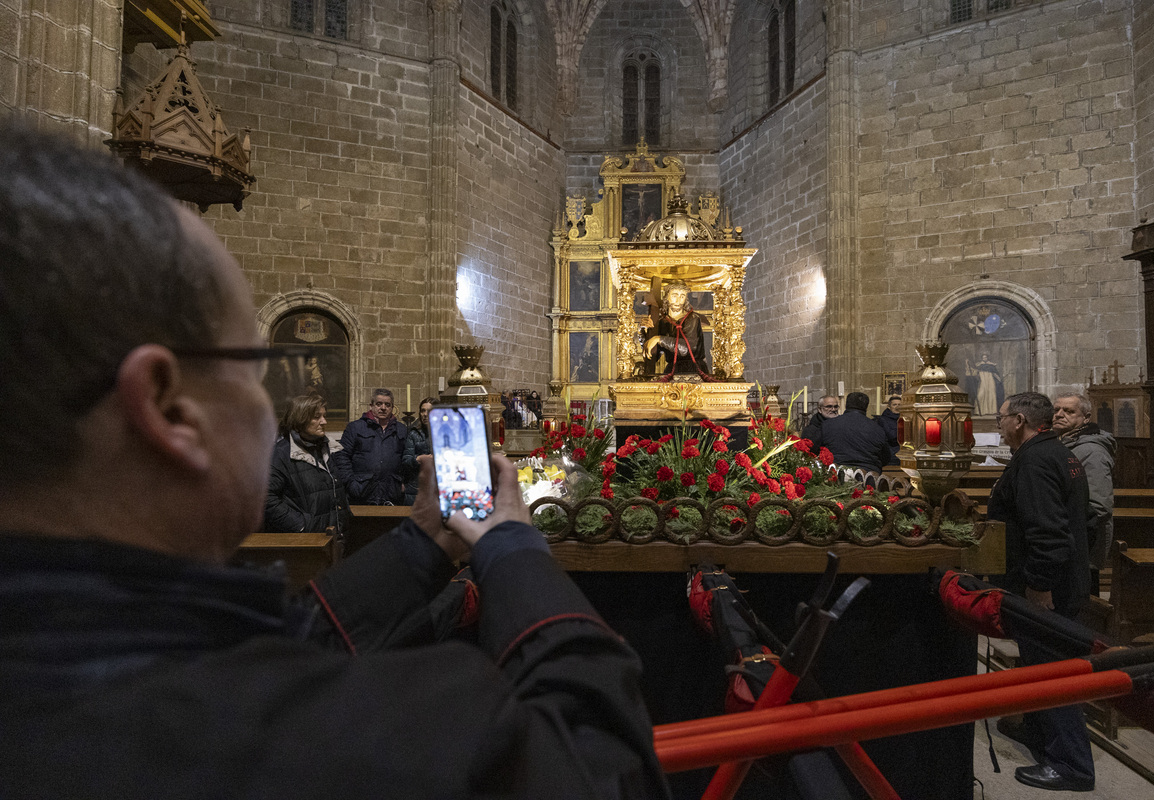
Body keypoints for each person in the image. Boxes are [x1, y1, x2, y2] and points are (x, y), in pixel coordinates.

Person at [0, 122, 668, 800]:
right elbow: (603, 770)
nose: (270, 403)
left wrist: (422, 542)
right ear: (169, 408)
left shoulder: (81, 659)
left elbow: (275, 647)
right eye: (253, 365)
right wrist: (510, 543)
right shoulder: (388, 741)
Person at [988, 392, 1094, 792]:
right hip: (1063, 579)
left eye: (1001, 418)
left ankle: (1072, 764)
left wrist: (1039, 585)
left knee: (1053, 672)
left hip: (1050, 587)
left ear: (1018, 420)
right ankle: (1037, 732)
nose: (998, 424)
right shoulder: (1054, 452)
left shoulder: (1034, 460)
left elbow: (1048, 532)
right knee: (1038, 664)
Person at [1053, 392, 1116, 594]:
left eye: (1069, 411)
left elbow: (1099, 507)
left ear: (1086, 418)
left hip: (1084, 546)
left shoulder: (1092, 451)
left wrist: (1071, 537)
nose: (1059, 415)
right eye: (1056, 410)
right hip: (1071, 541)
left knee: (1085, 607)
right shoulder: (1066, 443)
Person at [265, 394, 351, 534]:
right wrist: (301, 525)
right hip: (306, 540)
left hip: (332, 535)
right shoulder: (282, 454)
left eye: (324, 416)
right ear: (300, 419)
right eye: (317, 417)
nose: (324, 422)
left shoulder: (326, 447)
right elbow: (265, 499)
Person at [332, 388, 411, 505]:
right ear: (371, 406)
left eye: (387, 405)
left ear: (392, 407)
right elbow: (342, 456)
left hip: (392, 494)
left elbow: (407, 459)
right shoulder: (355, 427)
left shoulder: (402, 430)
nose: (383, 408)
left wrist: (403, 485)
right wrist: (350, 482)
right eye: (379, 404)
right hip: (361, 491)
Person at [643, 281, 709, 378]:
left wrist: (658, 339)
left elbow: (686, 348)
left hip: (693, 370)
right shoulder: (663, 322)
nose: (678, 301)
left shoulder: (692, 319)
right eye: (674, 295)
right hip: (671, 370)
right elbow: (653, 356)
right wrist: (644, 332)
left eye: (682, 296)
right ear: (667, 297)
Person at [816, 391, 893, 474]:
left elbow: (816, 450)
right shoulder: (877, 428)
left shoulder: (828, 424)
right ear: (866, 407)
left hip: (837, 473)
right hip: (868, 475)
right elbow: (886, 457)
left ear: (846, 405)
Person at [401, 396, 437, 504]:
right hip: (415, 489)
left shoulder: (445, 433)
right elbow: (406, 461)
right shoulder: (414, 434)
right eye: (422, 411)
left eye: (429, 411)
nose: (425, 414)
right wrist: (419, 459)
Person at [877, 394, 902, 466]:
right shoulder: (883, 419)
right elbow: (892, 436)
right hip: (892, 453)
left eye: (899, 405)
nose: (897, 407)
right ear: (889, 406)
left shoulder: (905, 418)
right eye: (894, 405)